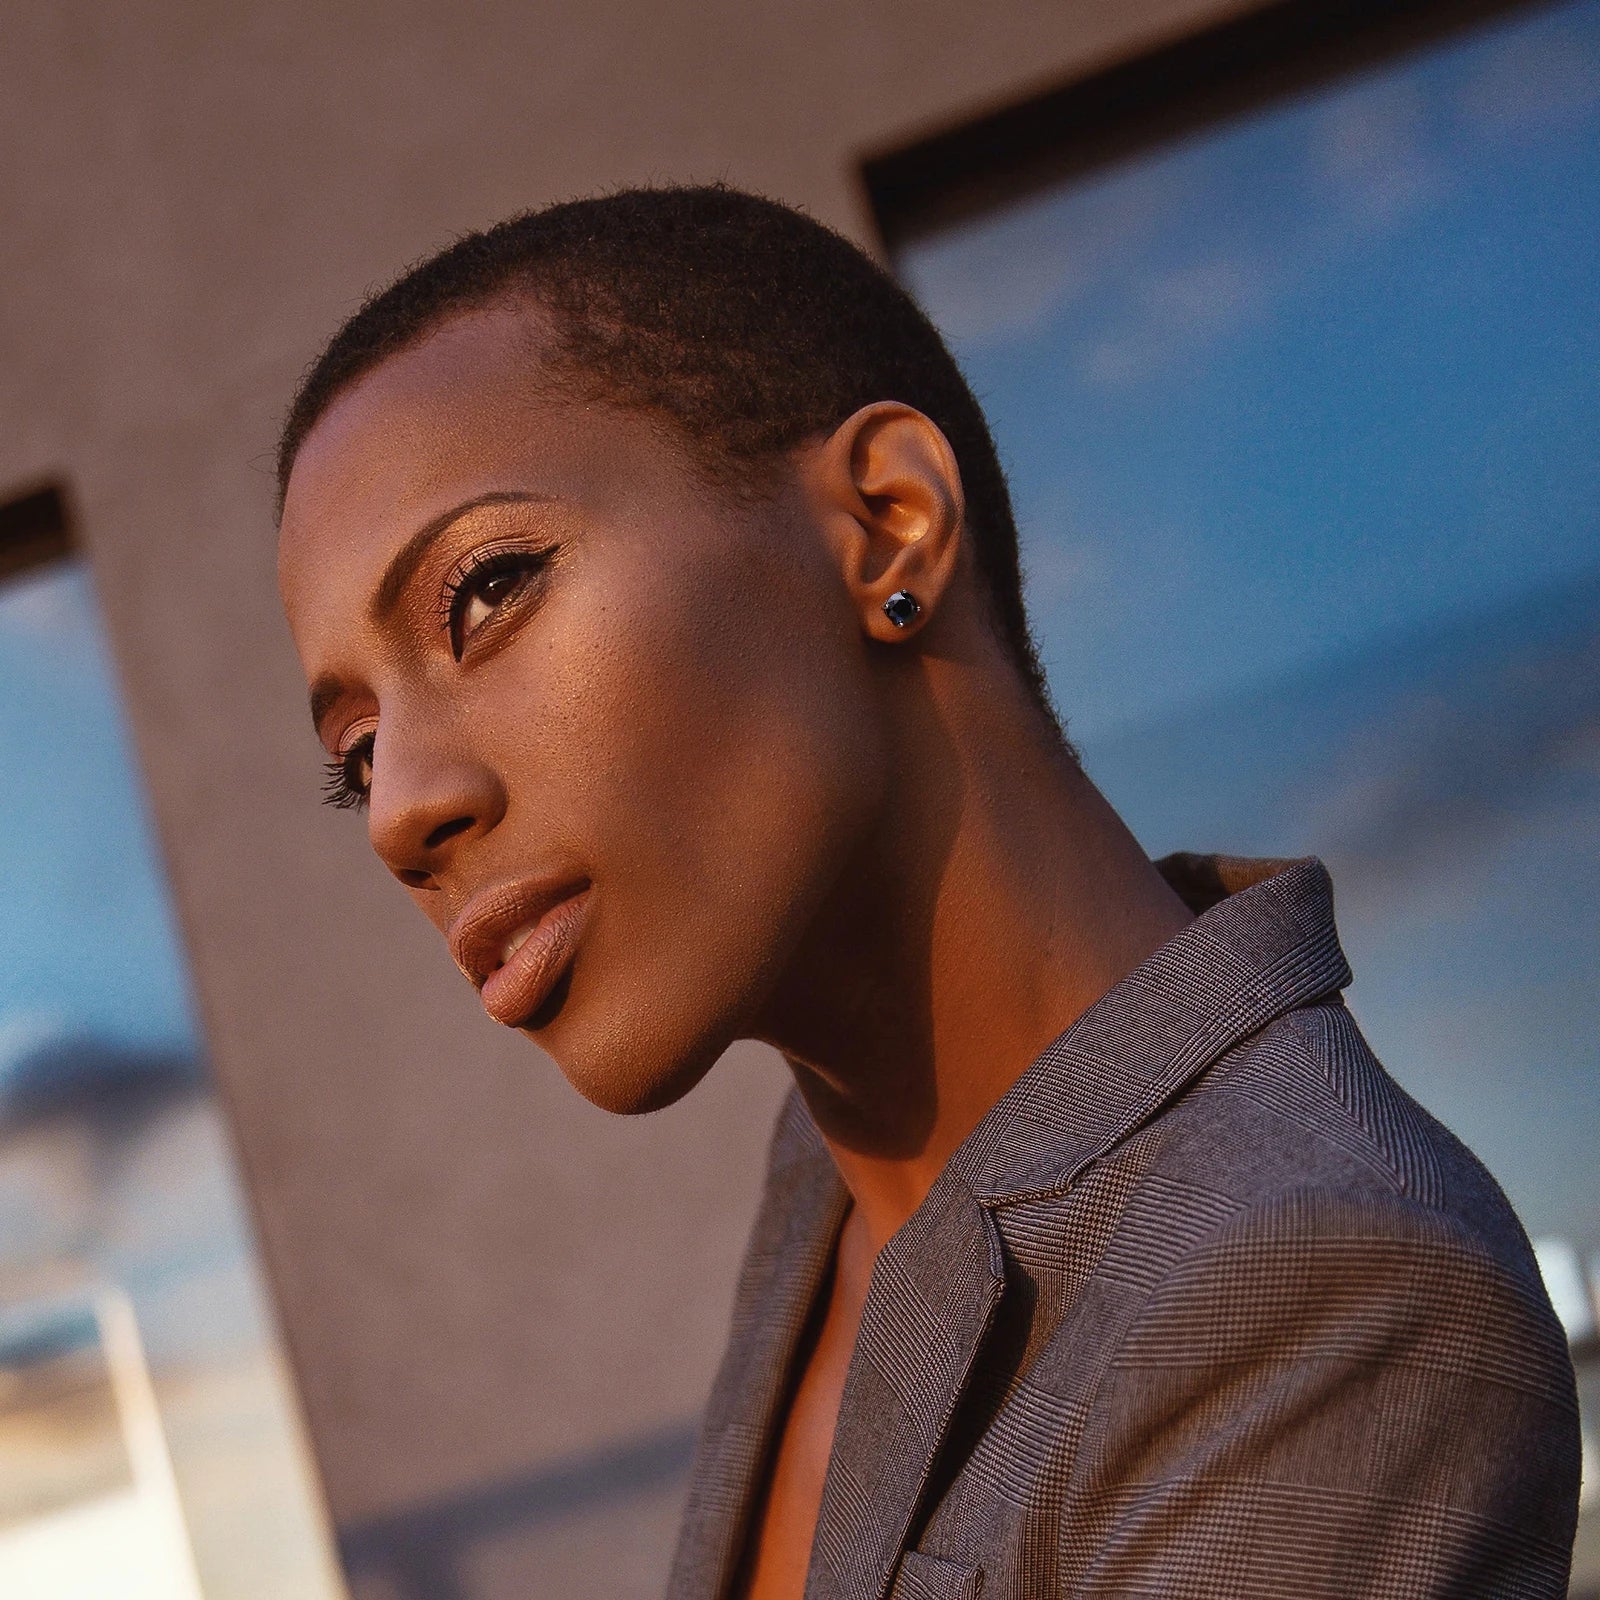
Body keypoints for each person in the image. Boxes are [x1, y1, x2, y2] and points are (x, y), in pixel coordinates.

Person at [275, 186, 1580, 1599]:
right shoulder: (834, 1207)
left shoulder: (1315, 1292)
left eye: (486, 592)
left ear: (889, 524)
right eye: (356, 754)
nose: (401, 813)